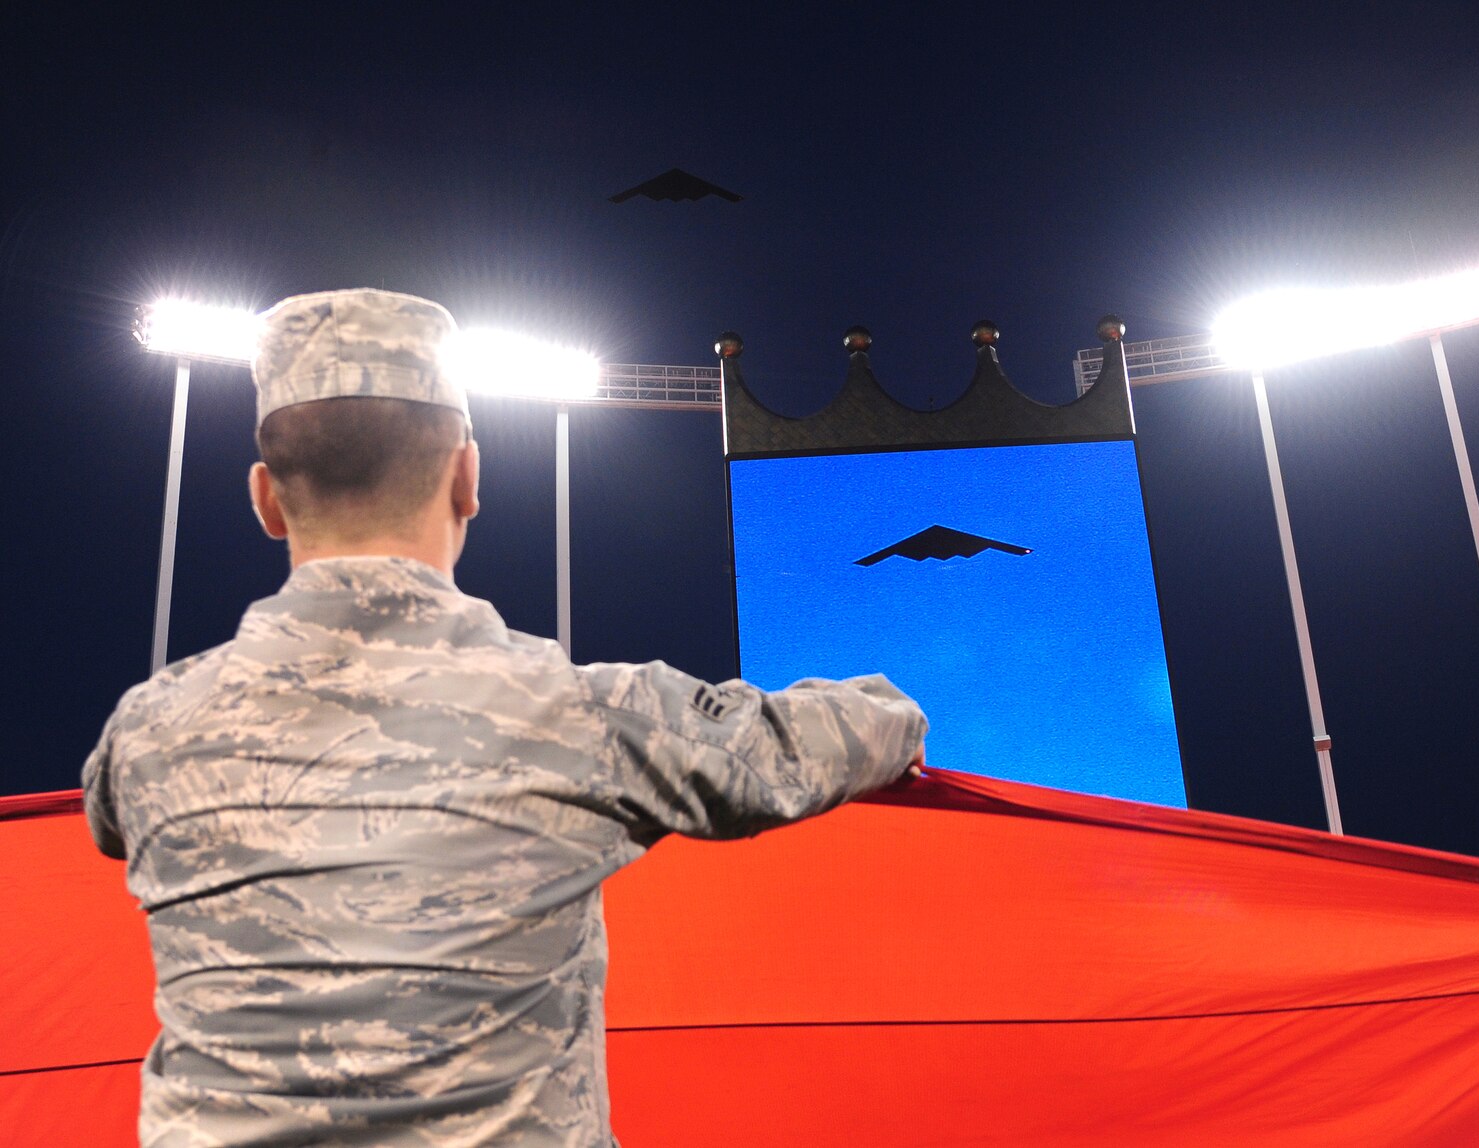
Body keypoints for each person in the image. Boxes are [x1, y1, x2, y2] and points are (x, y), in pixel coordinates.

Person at [81, 289, 928, 1146]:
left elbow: (109, 826)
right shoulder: (575, 716)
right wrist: (893, 712)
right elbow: (790, 752)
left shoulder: (146, 735)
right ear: (467, 478)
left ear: (266, 498)